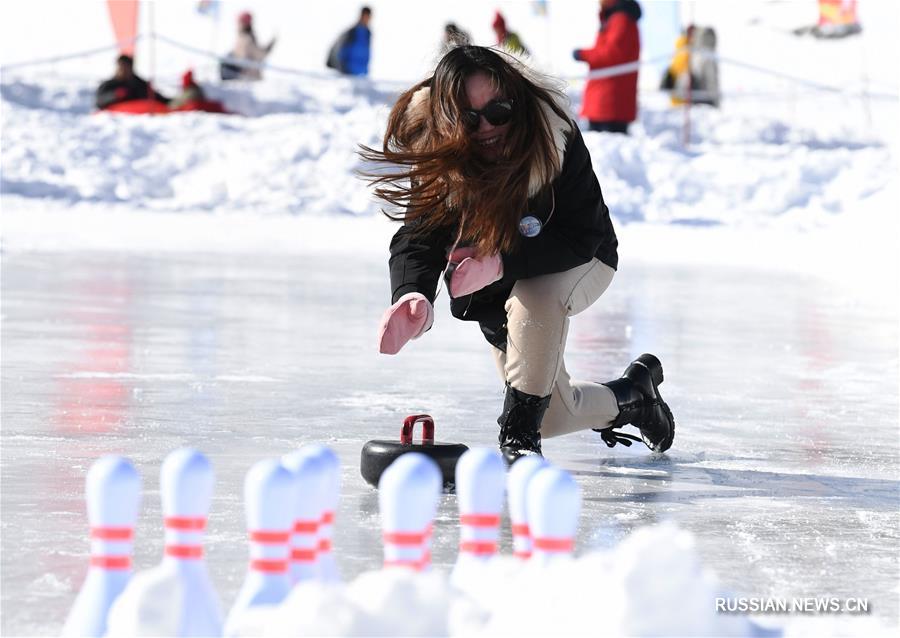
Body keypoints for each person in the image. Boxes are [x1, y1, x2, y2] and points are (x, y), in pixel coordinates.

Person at [361, 46, 674, 463]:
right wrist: (411, 293)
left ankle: (519, 444)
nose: (487, 127)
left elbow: (583, 233)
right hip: (501, 283)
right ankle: (634, 397)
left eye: (499, 111)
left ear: (516, 99)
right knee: (554, 414)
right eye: (470, 119)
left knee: (536, 298)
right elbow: (420, 233)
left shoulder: (552, 135)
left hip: (583, 258)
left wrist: (498, 263)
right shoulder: (437, 145)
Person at [572, 0, 642, 134]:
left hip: (610, 103)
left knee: (608, 148)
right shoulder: (616, 18)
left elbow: (611, 54)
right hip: (606, 101)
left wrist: (583, 54)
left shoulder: (621, 19)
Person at [95, 54, 169, 110]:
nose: (123, 70)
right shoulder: (108, 85)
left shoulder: (140, 84)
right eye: (121, 67)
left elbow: (157, 98)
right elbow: (99, 101)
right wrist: (114, 95)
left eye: (126, 67)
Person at [221, 11, 275, 81]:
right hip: (242, 77)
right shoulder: (243, 37)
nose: (238, 24)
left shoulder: (246, 39)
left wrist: (270, 46)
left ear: (244, 24)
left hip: (247, 78)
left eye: (240, 22)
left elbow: (261, 55)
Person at [326, 6, 372, 76]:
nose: (367, 19)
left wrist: (365, 70)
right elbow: (342, 50)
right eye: (365, 16)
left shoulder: (368, 33)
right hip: (347, 72)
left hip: (360, 74)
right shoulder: (352, 31)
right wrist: (342, 66)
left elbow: (367, 53)